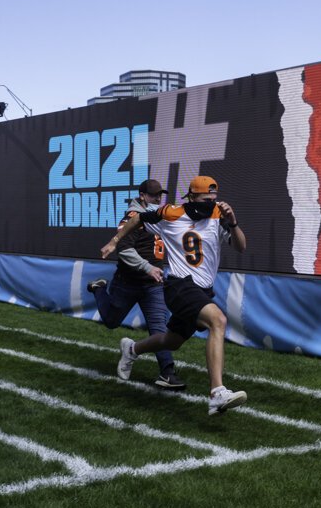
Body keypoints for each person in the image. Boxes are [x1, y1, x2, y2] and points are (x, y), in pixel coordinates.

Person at [100, 175, 249, 415]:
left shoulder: (217, 216)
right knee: (218, 320)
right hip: (180, 285)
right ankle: (217, 393)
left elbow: (241, 246)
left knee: (173, 340)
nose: (211, 203)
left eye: (214, 198)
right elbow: (137, 218)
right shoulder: (171, 214)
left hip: (202, 289)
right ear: (192, 196)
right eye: (205, 198)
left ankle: (132, 349)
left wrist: (232, 222)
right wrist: (115, 241)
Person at [87, 179, 186, 390]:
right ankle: (99, 288)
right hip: (128, 281)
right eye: (153, 195)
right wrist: (147, 267)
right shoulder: (132, 217)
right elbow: (124, 249)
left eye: (160, 195)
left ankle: (167, 372)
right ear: (142, 196)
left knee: (159, 326)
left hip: (153, 284)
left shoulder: (160, 216)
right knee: (112, 321)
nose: (158, 199)